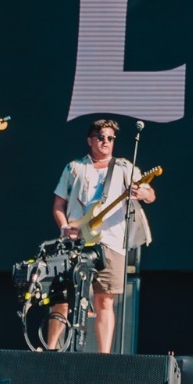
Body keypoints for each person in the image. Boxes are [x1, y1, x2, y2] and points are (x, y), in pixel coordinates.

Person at [47, 118, 157, 353]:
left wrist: (142, 192)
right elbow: (58, 203)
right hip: (76, 240)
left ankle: (103, 357)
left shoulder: (124, 167)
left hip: (110, 242)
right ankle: (50, 349)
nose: (105, 142)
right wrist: (64, 226)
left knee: (104, 300)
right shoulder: (74, 167)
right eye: (101, 137)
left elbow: (150, 194)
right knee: (63, 298)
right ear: (90, 140)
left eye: (110, 138)